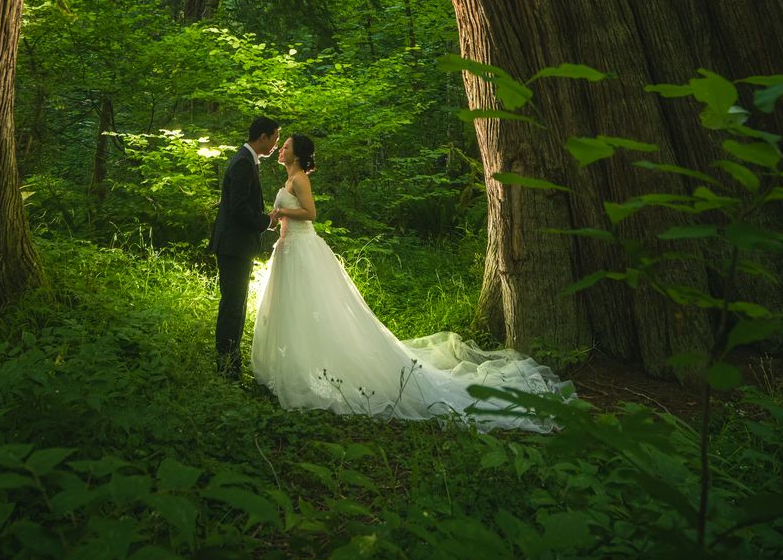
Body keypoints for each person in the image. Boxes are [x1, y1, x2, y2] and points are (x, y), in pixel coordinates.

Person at [251, 134, 571, 430]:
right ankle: (294, 368)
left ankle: (316, 371)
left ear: (298, 154)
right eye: (283, 145)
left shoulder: (300, 179)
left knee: (316, 309)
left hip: (304, 249)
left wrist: (281, 212)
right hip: (289, 250)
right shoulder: (289, 178)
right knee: (295, 311)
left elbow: (310, 213)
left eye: (288, 145)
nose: (282, 148)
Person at [209, 115, 280, 378]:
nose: (276, 144)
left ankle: (230, 362)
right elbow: (238, 209)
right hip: (233, 246)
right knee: (232, 305)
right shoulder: (242, 163)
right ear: (263, 137)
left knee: (235, 304)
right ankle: (227, 367)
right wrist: (266, 222)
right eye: (275, 138)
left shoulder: (247, 160)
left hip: (236, 245)